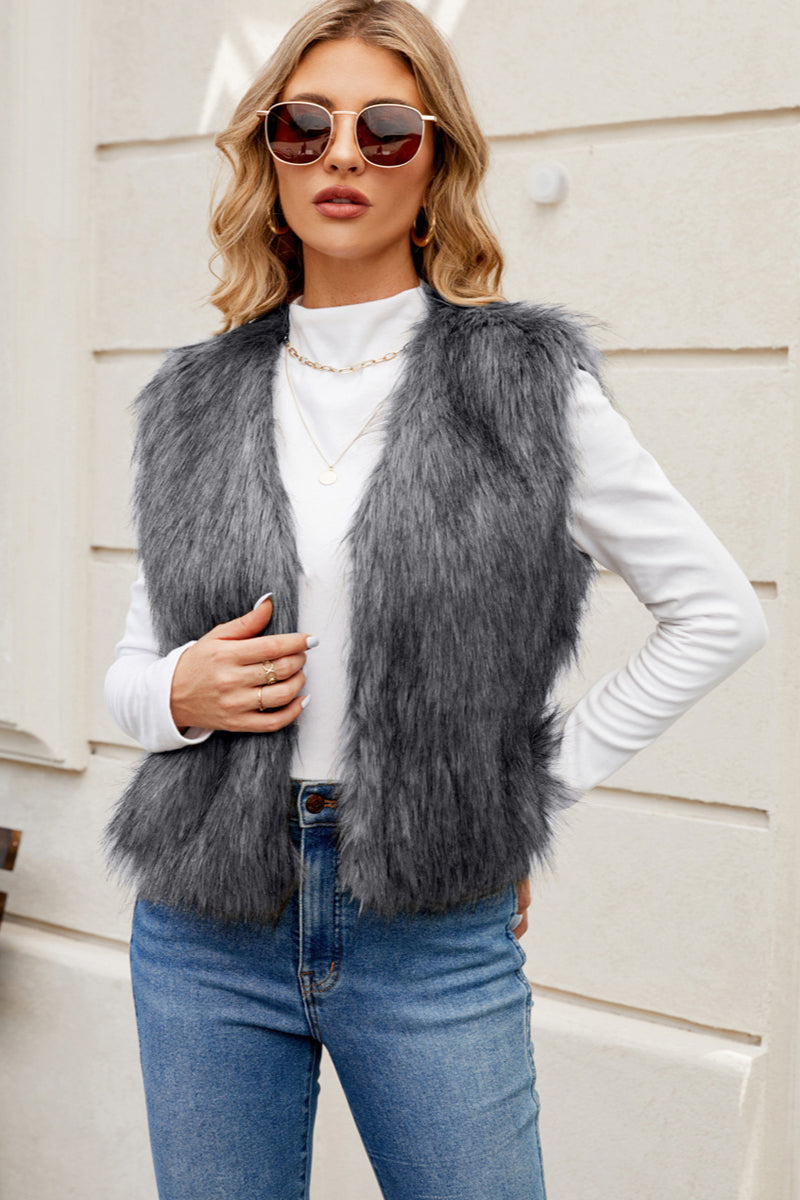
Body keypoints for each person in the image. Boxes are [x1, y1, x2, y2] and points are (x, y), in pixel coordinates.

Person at [102, 2, 769, 1197]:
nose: (342, 154)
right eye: (304, 127)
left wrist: (524, 794)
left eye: (386, 129)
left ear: (435, 163)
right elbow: (132, 674)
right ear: (269, 160)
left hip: (427, 930)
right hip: (202, 926)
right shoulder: (191, 399)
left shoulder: (522, 385)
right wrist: (177, 692)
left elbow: (716, 610)